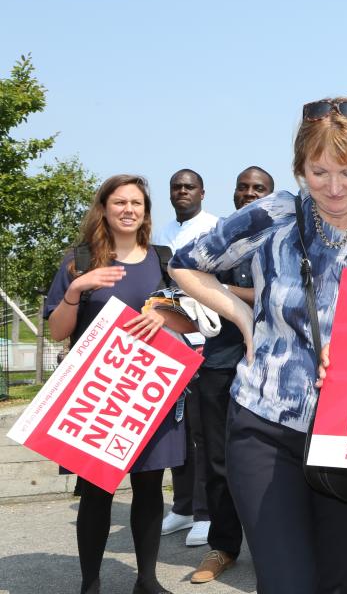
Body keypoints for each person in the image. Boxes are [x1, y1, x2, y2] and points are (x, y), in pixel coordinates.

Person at [170, 97, 347, 593]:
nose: (334, 188)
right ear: (299, 168)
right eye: (318, 172)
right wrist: (242, 317)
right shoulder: (273, 214)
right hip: (264, 423)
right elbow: (186, 262)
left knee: (338, 582)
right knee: (286, 582)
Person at [44, 174, 196, 594]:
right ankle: (90, 584)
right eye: (119, 202)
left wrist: (164, 317)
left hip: (150, 391)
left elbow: (191, 320)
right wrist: (76, 289)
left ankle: (146, 581)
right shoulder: (79, 260)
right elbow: (58, 331)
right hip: (99, 397)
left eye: (137, 203)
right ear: (104, 209)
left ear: (146, 211)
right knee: (97, 490)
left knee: (149, 487)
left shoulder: (164, 259)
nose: (128, 209)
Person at [188, 166, 274, 584]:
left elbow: (279, 293)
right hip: (220, 364)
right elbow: (189, 284)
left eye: (259, 188)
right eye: (244, 187)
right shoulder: (217, 241)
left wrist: (222, 291)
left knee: (274, 463)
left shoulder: (285, 237)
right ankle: (222, 547)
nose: (250, 194)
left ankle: (273, 549)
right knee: (218, 459)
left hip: (273, 367)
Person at [154, 168, 218, 546]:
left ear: (202, 192)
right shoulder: (161, 234)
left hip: (202, 337)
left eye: (189, 186)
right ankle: (180, 506)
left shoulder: (214, 228)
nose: (182, 192)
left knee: (201, 430)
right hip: (168, 339)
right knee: (175, 428)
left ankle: (205, 512)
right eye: (176, 187)